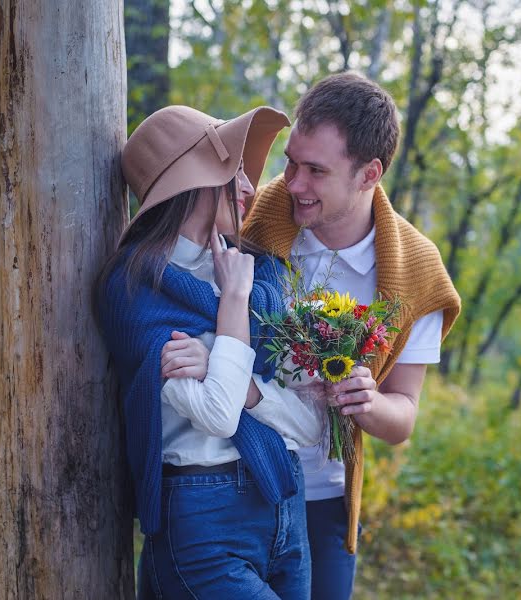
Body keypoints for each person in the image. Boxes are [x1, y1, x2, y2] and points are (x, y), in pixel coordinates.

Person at [164, 73, 462, 599]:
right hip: (230, 478)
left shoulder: (415, 272)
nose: (294, 183)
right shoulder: (249, 217)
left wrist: (368, 403)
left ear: (369, 173)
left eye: (316, 171)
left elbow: (403, 417)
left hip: (324, 500)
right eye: (291, 163)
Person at [94, 104, 324, 599]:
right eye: (234, 172)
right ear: (193, 181)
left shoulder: (263, 273)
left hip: (284, 495)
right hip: (204, 511)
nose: (251, 187)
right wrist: (234, 310)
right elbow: (219, 413)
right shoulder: (135, 285)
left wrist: (221, 358)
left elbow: (308, 421)